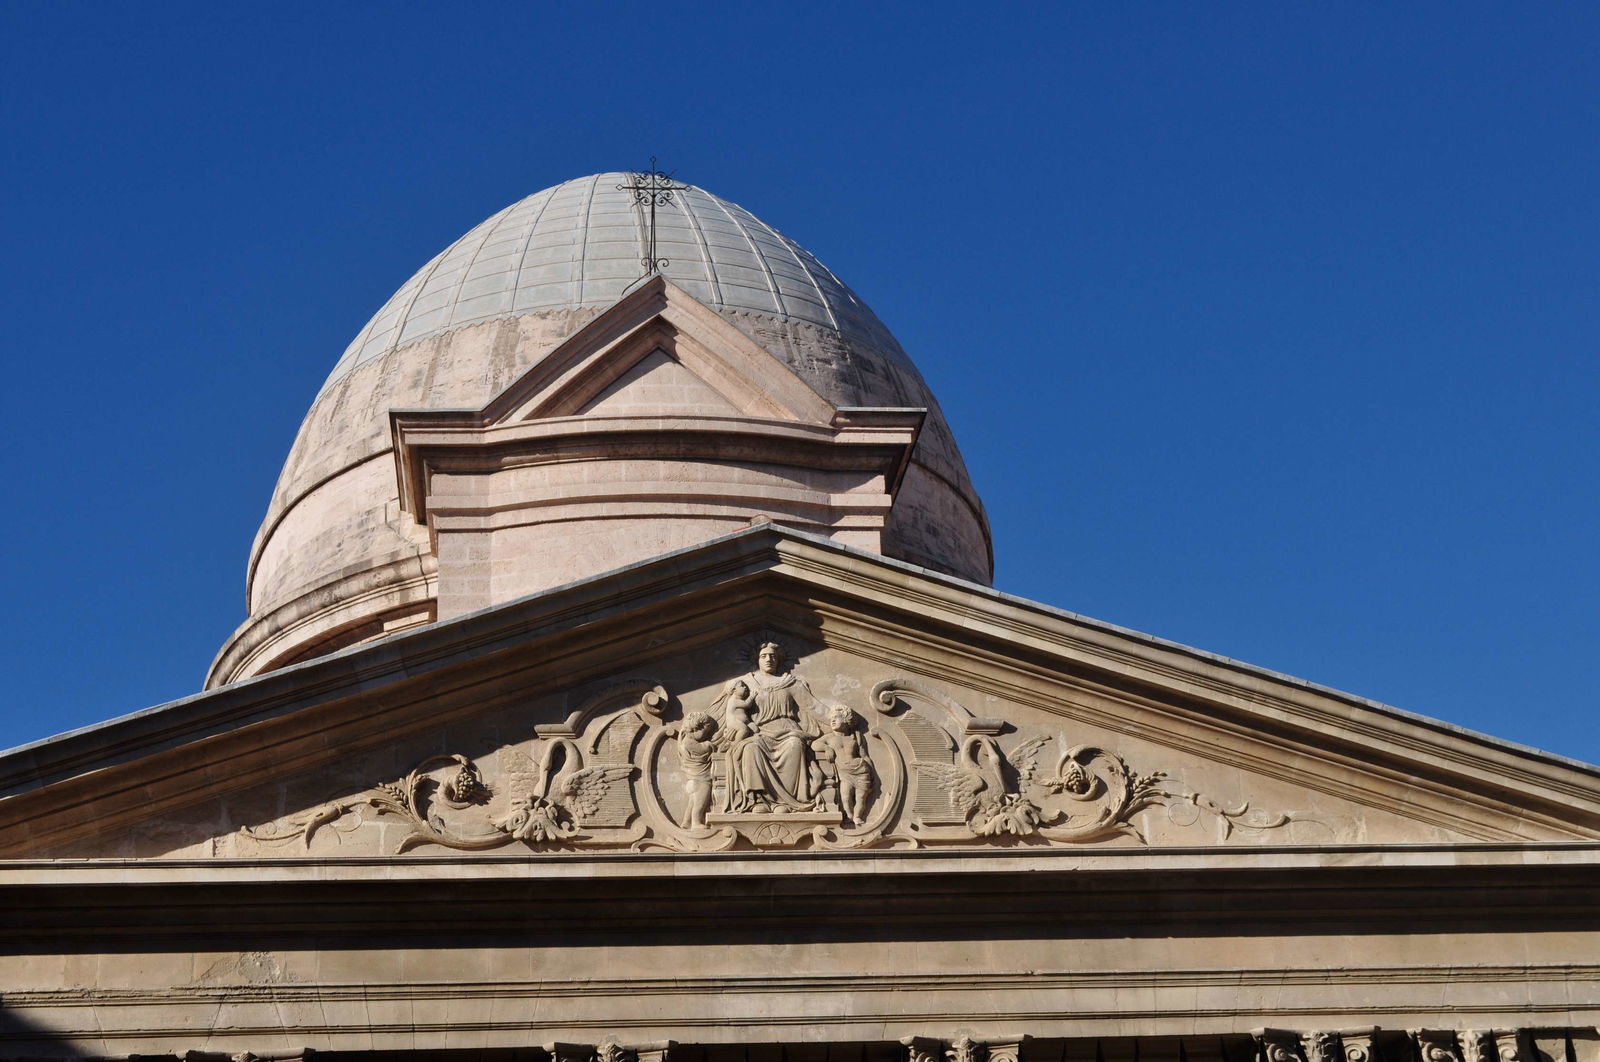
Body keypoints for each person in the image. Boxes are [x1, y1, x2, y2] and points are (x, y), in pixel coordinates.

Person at [715, 642, 822, 813]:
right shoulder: (744, 684)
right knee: (751, 748)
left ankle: (785, 802)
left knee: (795, 745)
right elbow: (727, 710)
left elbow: (815, 709)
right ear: (756, 659)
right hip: (759, 731)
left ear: (779, 659)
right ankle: (758, 800)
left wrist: (841, 720)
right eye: (763, 656)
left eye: (772, 656)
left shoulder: (790, 683)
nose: (769, 659)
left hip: (787, 731)